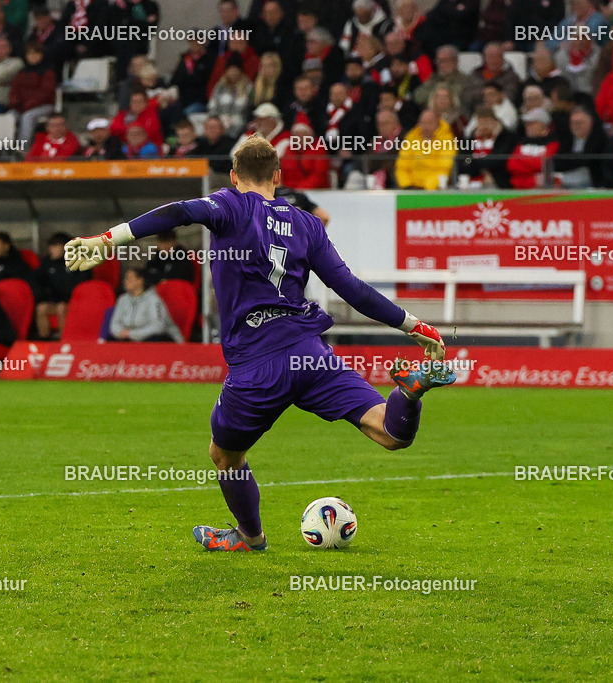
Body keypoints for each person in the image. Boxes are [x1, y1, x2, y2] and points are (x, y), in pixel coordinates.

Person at [64, 135, 456, 552]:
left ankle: (250, 537)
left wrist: (105, 240)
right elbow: (351, 289)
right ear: (278, 177)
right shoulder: (306, 223)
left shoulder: (230, 204)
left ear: (234, 177)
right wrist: (415, 325)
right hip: (310, 354)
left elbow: (178, 212)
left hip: (256, 365)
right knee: (389, 431)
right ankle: (409, 393)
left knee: (225, 456)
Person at [33, 232, 90, 339]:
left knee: (61, 308)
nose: (51, 249)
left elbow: (81, 286)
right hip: (56, 302)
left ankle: (64, 340)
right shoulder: (48, 262)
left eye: (55, 246)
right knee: (41, 308)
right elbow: (36, 281)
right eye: (50, 246)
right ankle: (44, 341)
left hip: (75, 303)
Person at [108, 267, 183, 342]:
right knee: (110, 340)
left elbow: (158, 326)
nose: (125, 282)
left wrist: (132, 334)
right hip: (131, 337)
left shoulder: (153, 300)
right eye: (125, 279)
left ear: (140, 281)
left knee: (155, 339)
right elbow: (115, 322)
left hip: (155, 337)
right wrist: (119, 332)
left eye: (129, 278)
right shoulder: (122, 299)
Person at [394, 108, 456, 189]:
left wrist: (426, 188)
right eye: (423, 123)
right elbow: (401, 167)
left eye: (430, 123)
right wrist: (407, 185)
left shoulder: (447, 140)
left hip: (434, 190)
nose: (426, 127)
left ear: (438, 123)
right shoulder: (411, 137)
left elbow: (444, 169)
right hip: (411, 189)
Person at [8, 41, 56, 144]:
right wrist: (15, 102)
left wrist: (29, 104)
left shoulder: (48, 71)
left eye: (35, 54)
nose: (32, 57)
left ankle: (23, 148)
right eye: (29, 54)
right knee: (10, 116)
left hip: (44, 106)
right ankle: (5, 148)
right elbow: (14, 90)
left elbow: (46, 92)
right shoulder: (22, 72)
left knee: (28, 117)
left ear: (41, 55)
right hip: (22, 107)